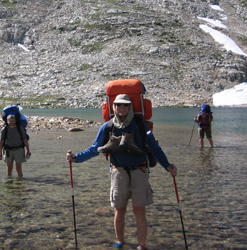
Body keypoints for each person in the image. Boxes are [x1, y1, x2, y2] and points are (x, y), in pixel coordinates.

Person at [66, 94, 177, 250]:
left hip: (140, 170)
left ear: (130, 107)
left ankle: (142, 245)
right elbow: (94, 148)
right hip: (118, 172)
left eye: (125, 105)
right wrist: (76, 158)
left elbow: (154, 148)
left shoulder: (140, 125)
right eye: (118, 105)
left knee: (139, 210)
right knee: (119, 209)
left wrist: (168, 166)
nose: (122, 108)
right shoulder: (108, 126)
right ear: (114, 107)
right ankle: (120, 242)